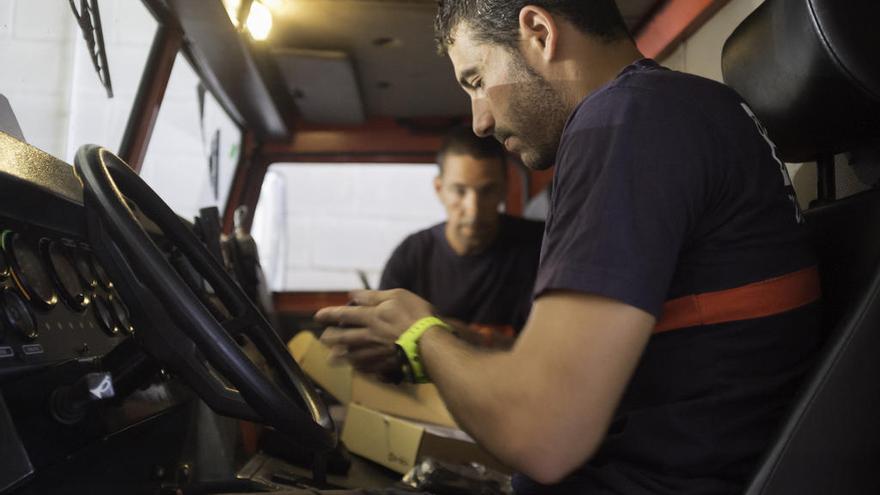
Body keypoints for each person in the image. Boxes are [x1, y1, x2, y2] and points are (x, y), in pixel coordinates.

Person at [316, 1, 824, 493]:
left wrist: (419, 332)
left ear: (538, 31)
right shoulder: (689, 106)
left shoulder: (624, 119)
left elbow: (541, 434)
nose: (480, 121)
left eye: (476, 81)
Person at [379, 126, 544, 347]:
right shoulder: (411, 256)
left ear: (505, 189)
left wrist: (452, 333)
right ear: (439, 189)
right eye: (459, 190)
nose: (473, 210)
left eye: (487, 191)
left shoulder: (541, 247)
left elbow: (552, 349)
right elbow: (385, 338)